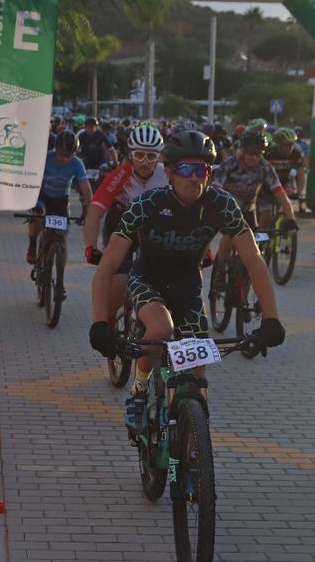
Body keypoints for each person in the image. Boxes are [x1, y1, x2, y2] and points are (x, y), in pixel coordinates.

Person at [88, 130, 285, 428]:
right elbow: (108, 265)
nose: (194, 177)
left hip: (188, 288)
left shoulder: (222, 204)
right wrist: (99, 323)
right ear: (168, 173)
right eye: (185, 169)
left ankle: (194, 446)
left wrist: (271, 318)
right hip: (147, 280)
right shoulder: (146, 205)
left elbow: (253, 259)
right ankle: (139, 391)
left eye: (202, 170)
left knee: (196, 376)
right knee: (160, 329)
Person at [83, 123, 167, 326]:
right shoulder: (120, 176)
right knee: (120, 282)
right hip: (121, 231)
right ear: (130, 155)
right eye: (139, 155)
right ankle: (109, 323)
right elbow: (95, 212)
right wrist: (90, 246)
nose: (145, 162)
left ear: (160, 157)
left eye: (151, 156)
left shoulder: (167, 176)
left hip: (153, 234)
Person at [209, 127, 297, 300]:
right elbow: (215, 191)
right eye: (250, 153)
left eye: (258, 154)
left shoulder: (265, 167)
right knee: (230, 234)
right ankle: (221, 269)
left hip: (249, 212)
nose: (254, 158)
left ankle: (245, 283)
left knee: (259, 239)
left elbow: (280, 194)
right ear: (242, 150)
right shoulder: (229, 165)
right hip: (226, 209)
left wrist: (291, 219)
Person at [27, 132, 92, 264]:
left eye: (69, 155)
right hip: (42, 195)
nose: (65, 159)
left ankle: (60, 278)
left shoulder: (77, 164)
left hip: (61, 200)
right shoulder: (45, 158)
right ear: (56, 149)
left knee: (62, 237)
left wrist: (90, 211)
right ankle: (32, 245)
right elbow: (30, 178)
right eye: (62, 154)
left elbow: (86, 190)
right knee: (37, 215)